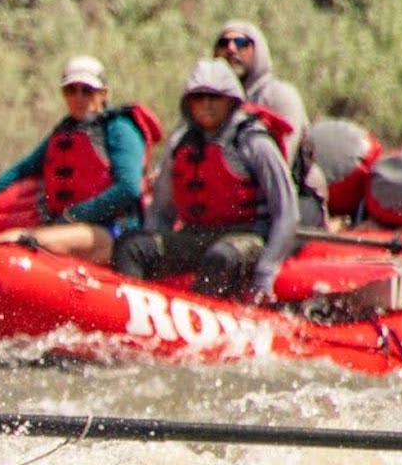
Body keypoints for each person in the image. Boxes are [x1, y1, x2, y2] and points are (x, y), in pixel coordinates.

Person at [111, 59, 297, 302]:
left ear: (231, 101)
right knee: (132, 246)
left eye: (214, 97)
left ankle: (201, 317)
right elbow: (162, 212)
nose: (206, 104)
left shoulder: (254, 141)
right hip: (197, 235)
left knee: (221, 257)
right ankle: (130, 309)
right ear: (189, 103)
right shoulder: (181, 145)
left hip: (247, 237)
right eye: (198, 98)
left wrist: (265, 272)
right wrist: (154, 254)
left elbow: (286, 212)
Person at [0, 55, 159, 265]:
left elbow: (129, 188)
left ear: (104, 93)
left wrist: (75, 214)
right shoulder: (65, 132)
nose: (78, 97)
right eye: (70, 90)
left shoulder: (120, 129)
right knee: (5, 240)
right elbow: (21, 169)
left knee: (11, 243)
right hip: (70, 227)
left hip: (114, 231)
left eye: (87, 90)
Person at [214, 20, 325, 224]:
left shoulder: (280, 95)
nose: (230, 49)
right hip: (236, 203)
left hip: (295, 196)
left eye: (240, 43)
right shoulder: (207, 103)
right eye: (223, 43)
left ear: (258, 51)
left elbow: (283, 164)